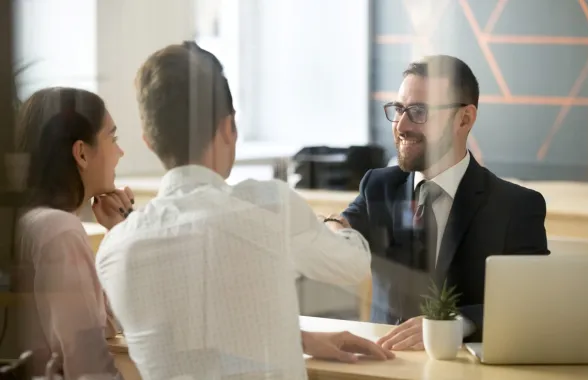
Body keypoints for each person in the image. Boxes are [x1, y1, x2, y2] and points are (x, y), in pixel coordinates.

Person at [95, 41, 393, 380]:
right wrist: (338, 223)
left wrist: (299, 339)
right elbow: (353, 266)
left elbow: (192, 337)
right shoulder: (268, 205)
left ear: (149, 141)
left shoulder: (114, 249)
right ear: (228, 127)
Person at [341, 55, 549, 349]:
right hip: (385, 364)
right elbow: (344, 228)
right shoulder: (378, 186)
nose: (401, 125)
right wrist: (334, 225)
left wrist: (455, 323)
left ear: (464, 119)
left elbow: (532, 302)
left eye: (419, 112)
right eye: (399, 109)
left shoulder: (516, 206)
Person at [14, 87, 134, 379]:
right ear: (81, 152)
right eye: (113, 138)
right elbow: (89, 368)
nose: (120, 151)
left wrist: (118, 234)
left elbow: (106, 325)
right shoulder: (60, 231)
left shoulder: (33, 221)